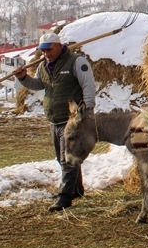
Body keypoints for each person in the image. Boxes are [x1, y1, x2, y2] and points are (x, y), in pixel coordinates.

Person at [15, 32, 96, 211]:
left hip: (72, 120)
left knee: (67, 160)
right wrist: (23, 78)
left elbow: (88, 85)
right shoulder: (43, 66)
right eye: (43, 51)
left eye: (49, 50)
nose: (46, 54)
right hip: (54, 119)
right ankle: (76, 190)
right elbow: (39, 84)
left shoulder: (76, 62)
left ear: (59, 46)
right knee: (63, 160)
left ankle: (64, 197)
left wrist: (88, 110)